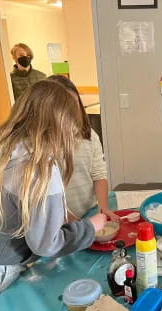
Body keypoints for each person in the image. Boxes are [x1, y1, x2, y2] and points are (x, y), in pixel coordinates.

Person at [0, 80, 107, 311]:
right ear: (61, 125)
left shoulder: (7, 147)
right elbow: (47, 245)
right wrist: (90, 228)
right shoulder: (41, 169)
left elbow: (32, 215)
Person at [47, 75, 119, 221]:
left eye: (74, 103)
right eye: (64, 106)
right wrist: (83, 228)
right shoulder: (40, 144)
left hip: (88, 211)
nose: (71, 111)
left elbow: (98, 175)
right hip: (58, 218)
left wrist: (103, 207)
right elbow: (48, 202)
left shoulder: (89, 136)